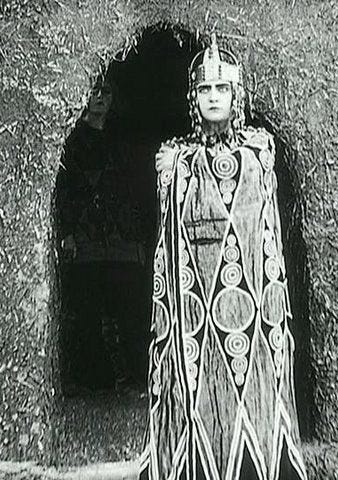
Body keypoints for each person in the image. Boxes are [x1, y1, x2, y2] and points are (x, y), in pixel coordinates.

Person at [139, 35, 308, 480]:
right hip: (193, 307)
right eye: (205, 89)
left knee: (254, 390)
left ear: (237, 95)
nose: (214, 97)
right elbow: (171, 240)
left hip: (248, 305)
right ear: (193, 98)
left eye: (222, 89)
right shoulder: (175, 160)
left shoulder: (258, 153)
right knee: (198, 388)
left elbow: (263, 231)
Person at [55, 78, 149, 392]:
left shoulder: (121, 139)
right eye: (93, 91)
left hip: (121, 238)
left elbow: (133, 188)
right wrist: (68, 232)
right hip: (87, 237)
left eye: (105, 92)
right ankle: (95, 380)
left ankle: (131, 377)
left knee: (127, 307)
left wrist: (137, 235)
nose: (98, 97)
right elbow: (66, 190)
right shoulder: (72, 140)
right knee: (89, 310)